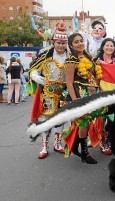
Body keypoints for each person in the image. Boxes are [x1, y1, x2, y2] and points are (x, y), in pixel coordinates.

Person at [27, 20, 69, 159]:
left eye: (63, 43)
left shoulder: (70, 56)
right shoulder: (45, 54)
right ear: (54, 42)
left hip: (63, 92)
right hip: (47, 92)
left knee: (61, 118)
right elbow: (34, 68)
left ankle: (57, 143)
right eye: (59, 43)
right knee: (46, 118)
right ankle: (44, 145)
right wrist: (35, 76)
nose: (61, 46)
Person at [64, 33, 102, 164]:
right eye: (76, 42)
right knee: (84, 122)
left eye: (81, 41)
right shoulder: (71, 61)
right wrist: (75, 100)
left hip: (90, 93)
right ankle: (84, 152)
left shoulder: (88, 57)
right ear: (70, 45)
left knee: (86, 122)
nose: (80, 43)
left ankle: (76, 145)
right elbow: (69, 82)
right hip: (79, 94)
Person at [94, 38, 115, 155]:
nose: (109, 47)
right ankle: (103, 141)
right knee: (103, 118)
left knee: (113, 119)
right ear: (103, 47)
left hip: (114, 95)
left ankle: (110, 139)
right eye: (107, 45)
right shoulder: (96, 61)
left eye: (112, 46)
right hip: (101, 94)